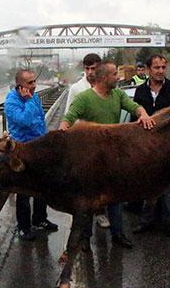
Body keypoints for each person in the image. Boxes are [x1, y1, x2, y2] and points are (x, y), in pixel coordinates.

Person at [60, 61, 155, 249]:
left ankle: (118, 234)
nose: (118, 77)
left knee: (115, 198)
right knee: (89, 201)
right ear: (103, 78)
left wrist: (143, 114)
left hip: (112, 158)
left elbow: (134, 106)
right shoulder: (84, 98)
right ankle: (85, 239)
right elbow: (68, 118)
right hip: (91, 160)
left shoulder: (118, 94)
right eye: (114, 74)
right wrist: (63, 130)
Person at [131, 54, 170, 237]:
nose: (160, 71)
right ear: (149, 69)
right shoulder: (140, 91)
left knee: (168, 190)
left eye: (163, 68)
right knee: (149, 187)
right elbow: (134, 117)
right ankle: (146, 222)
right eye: (156, 68)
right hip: (147, 149)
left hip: (169, 148)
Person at [4, 69, 59, 241]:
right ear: (20, 86)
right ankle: (24, 227)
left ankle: (40, 219)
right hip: (21, 150)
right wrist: (28, 102)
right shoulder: (11, 102)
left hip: (38, 147)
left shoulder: (34, 96)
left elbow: (40, 119)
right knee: (24, 191)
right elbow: (24, 121)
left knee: (42, 187)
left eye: (35, 82)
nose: (34, 86)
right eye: (30, 83)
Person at [63, 53, 110, 229]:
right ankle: (85, 224)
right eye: (87, 68)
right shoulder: (77, 89)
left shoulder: (107, 86)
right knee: (87, 181)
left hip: (104, 141)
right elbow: (69, 114)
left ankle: (101, 212)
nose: (90, 72)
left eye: (94, 68)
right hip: (84, 142)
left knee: (104, 178)